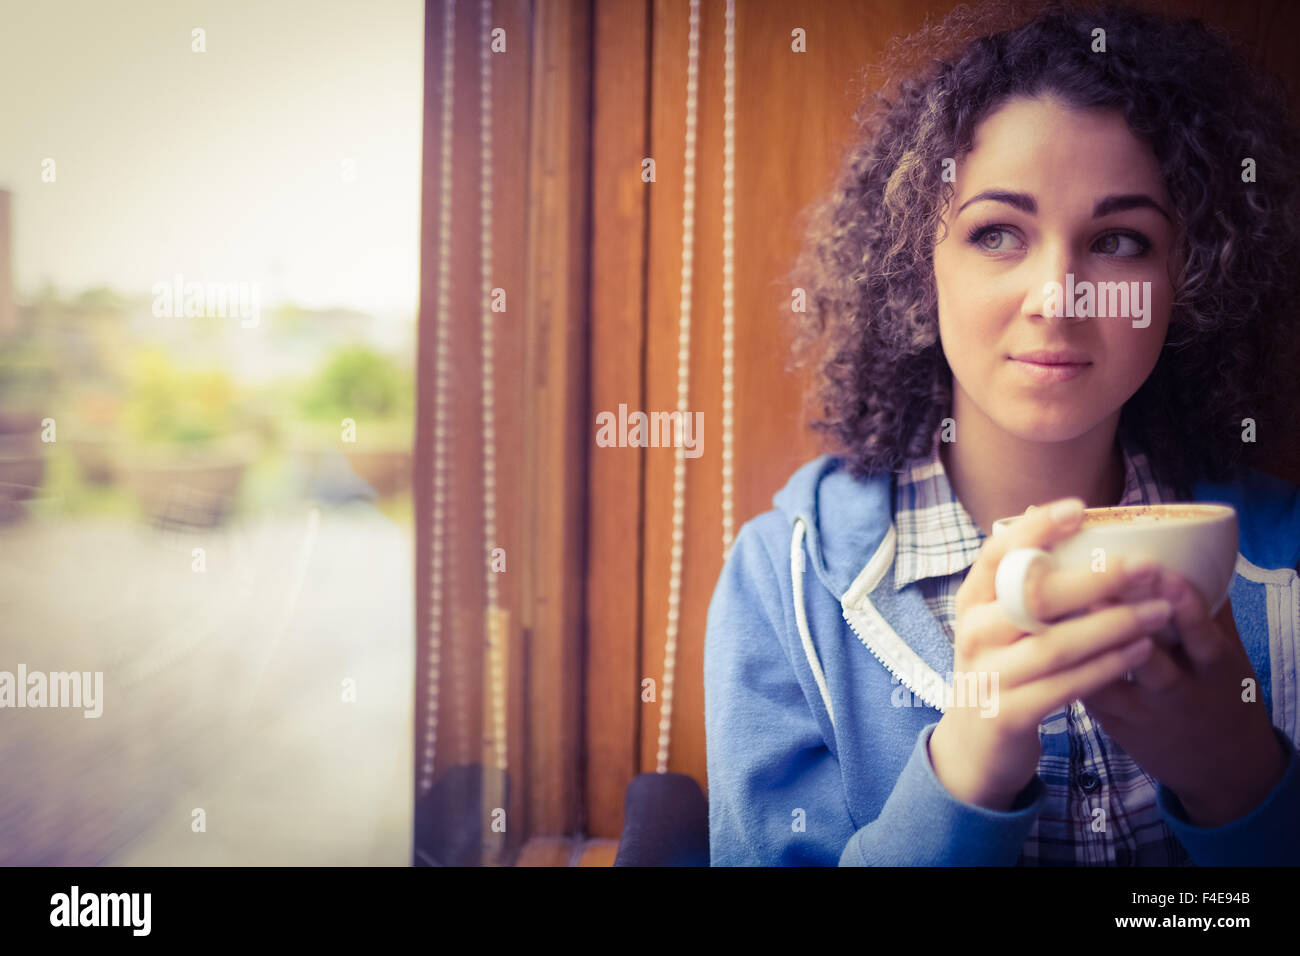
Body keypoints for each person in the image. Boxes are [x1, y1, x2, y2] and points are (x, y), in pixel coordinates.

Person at [704, 0, 1300, 865]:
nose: (1058, 297)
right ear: (918, 260)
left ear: (1190, 276)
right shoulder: (784, 583)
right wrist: (966, 769)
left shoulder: (1286, 553)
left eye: (1120, 242)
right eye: (996, 233)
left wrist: (1245, 785)